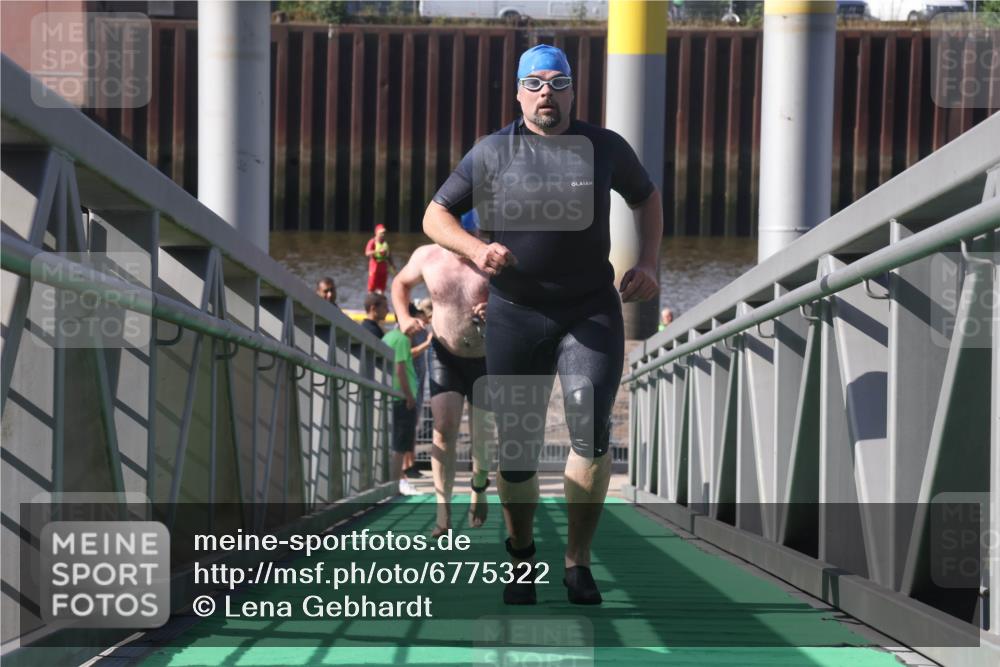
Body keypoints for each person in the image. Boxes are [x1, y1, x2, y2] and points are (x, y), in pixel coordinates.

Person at [422, 44, 662, 605]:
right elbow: (435, 215)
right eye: (534, 84)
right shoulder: (492, 152)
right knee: (518, 452)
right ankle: (522, 553)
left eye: (557, 83)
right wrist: (476, 251)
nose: (545, 94)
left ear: (574, 90)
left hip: (590, 309)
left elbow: (646, 198)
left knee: (590, 430)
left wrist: (648, 261)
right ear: (518, 92)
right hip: (515, 315)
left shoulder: (604, 147)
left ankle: (577, 562)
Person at [393, 211, 492, 538]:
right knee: (443, 429)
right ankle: (443, 513)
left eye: (474, 238)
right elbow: (400, 284)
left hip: (486, 357)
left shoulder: (491, 256)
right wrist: (404, 317)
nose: (469, 248)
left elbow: (525, 298)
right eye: (461, 240)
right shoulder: (427, 256)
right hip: (444, 353)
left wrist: (498, 309)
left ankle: (478, 486)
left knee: (481, 434)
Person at [382, 303, 429, 496]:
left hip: (392, 394)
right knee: (400, 445)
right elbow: (401, 369)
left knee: (395, 443)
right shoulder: (402, 340)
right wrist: (410, 396)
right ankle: (397, 483)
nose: (420, 324)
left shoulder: (388, 336)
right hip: (402, 396)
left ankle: (395, 482)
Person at [404, 298, 434, 480]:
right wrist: (427, 344)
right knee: (407, 424)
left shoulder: (423, 329)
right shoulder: (408, 329)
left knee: (414, 423)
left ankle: (411, 463)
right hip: (409, 382)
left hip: (419, 382)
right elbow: (406, 353)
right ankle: (406, 466)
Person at [365, 224, 396, 294]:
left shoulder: (385, 243)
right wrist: (377, 251)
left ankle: (381, 301)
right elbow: (367, 253)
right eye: (381, 233)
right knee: (371, 288)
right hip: (374, 267)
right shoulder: (372, 242)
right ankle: (371, 301)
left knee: (382, 288)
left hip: (383, 268)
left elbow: (389, 255)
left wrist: (392, 265)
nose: (383, 234)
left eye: (384, 233)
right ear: (376, 233)